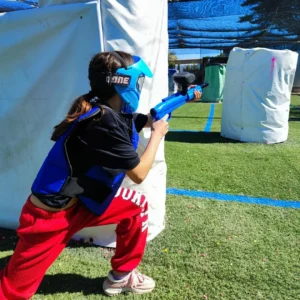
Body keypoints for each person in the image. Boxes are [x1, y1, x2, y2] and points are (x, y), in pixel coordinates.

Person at [0, 51, 201, 299]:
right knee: (12, 291)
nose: (139, 86)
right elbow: (139, 174)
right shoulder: (103, 122)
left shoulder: (107, 114)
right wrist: (158, 135)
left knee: (135, 206)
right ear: (123, 82)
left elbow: (149, 118)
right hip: (49, 218)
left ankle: (121, 276)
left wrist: (182, 98)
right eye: (138, 81)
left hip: (82, 204)